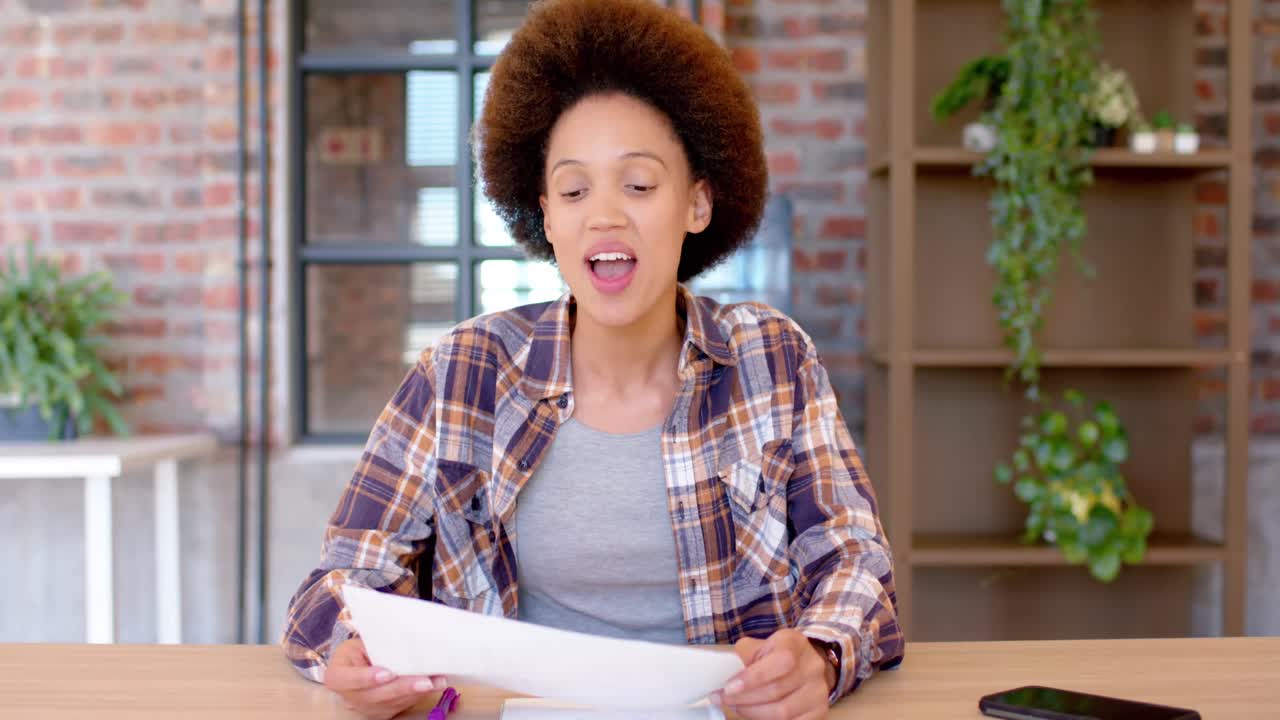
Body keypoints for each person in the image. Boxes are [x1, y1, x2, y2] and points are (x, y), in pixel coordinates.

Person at [282, 0, 904, 718]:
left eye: (638, 185)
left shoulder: (771, 359)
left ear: (697, 203)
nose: (604, 214)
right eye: (575, 190)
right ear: (545, 214)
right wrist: (349, 652)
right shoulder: (463, 372)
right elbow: (335, 584)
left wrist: (822, 654)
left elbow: (857, 560)